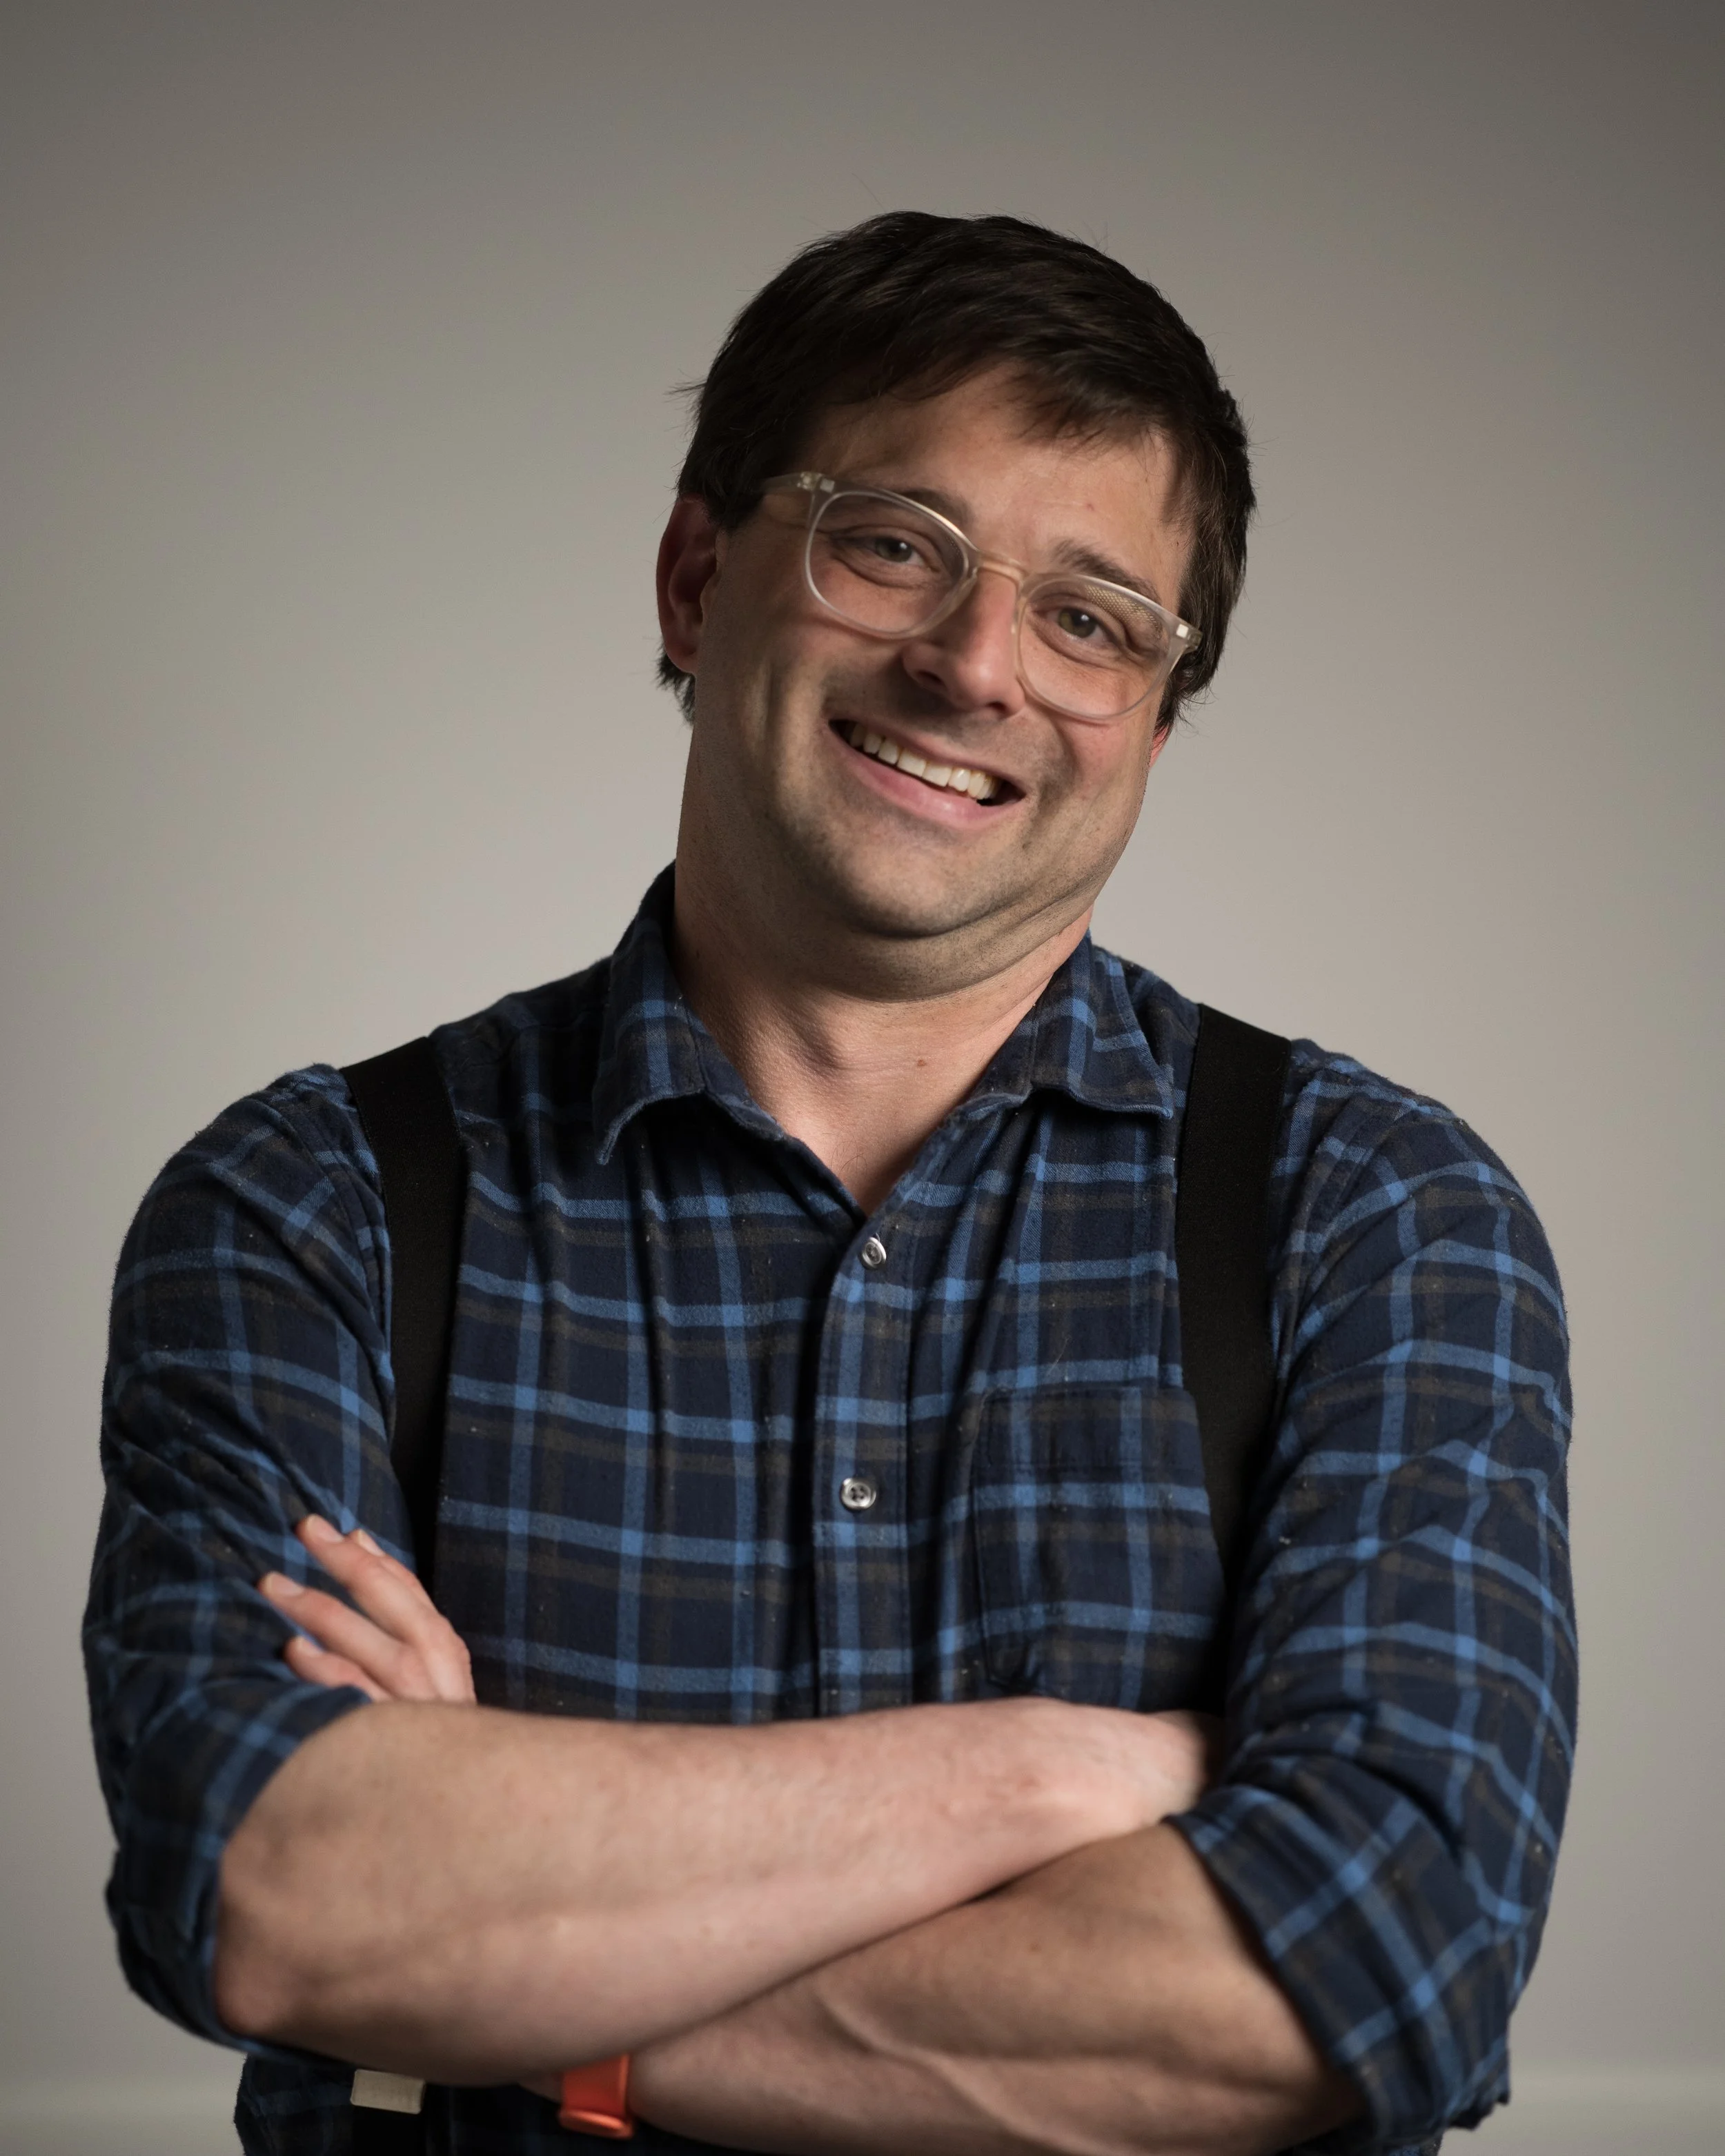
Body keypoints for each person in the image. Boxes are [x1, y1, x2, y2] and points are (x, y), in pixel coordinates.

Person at [85, 212, 1575, 2156]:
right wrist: (1066, 1775)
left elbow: (1375, 1964)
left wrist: (504, 1986)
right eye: (895, 544)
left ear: (1152, 709)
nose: (976, 666)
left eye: (1089, 617)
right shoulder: (316, 1206)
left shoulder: (1371, 1217)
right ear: (699, 580)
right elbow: (278, 1895)